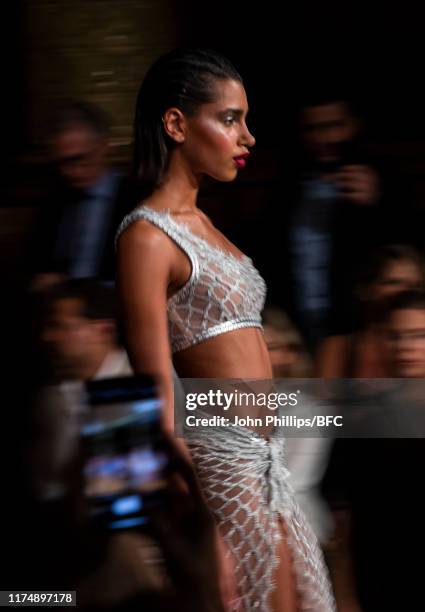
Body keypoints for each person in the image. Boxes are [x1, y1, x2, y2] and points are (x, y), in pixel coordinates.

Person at [115, 48, 335, 612]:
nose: (248, 137)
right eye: (231, 118)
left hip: (268, 464)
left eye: (245, 119)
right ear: (176, 124)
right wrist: (210, 511)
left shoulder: (209, 226)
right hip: (220, 470)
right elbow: (154, 393)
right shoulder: (146, 237)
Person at [286, 95, 380, 354]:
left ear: (354, 125)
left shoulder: (379, 180)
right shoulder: (289, 187)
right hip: (299, 324)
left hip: (359, 328)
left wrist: (376, 204)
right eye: (314, 129)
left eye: (333, 126)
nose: (324, 138)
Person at [30, 102, 135, 287]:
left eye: (80, 159)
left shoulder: (134, 196)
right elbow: (39, 268)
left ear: (104, 147)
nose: (71, 171)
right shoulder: (53, 201)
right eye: (62, 163)